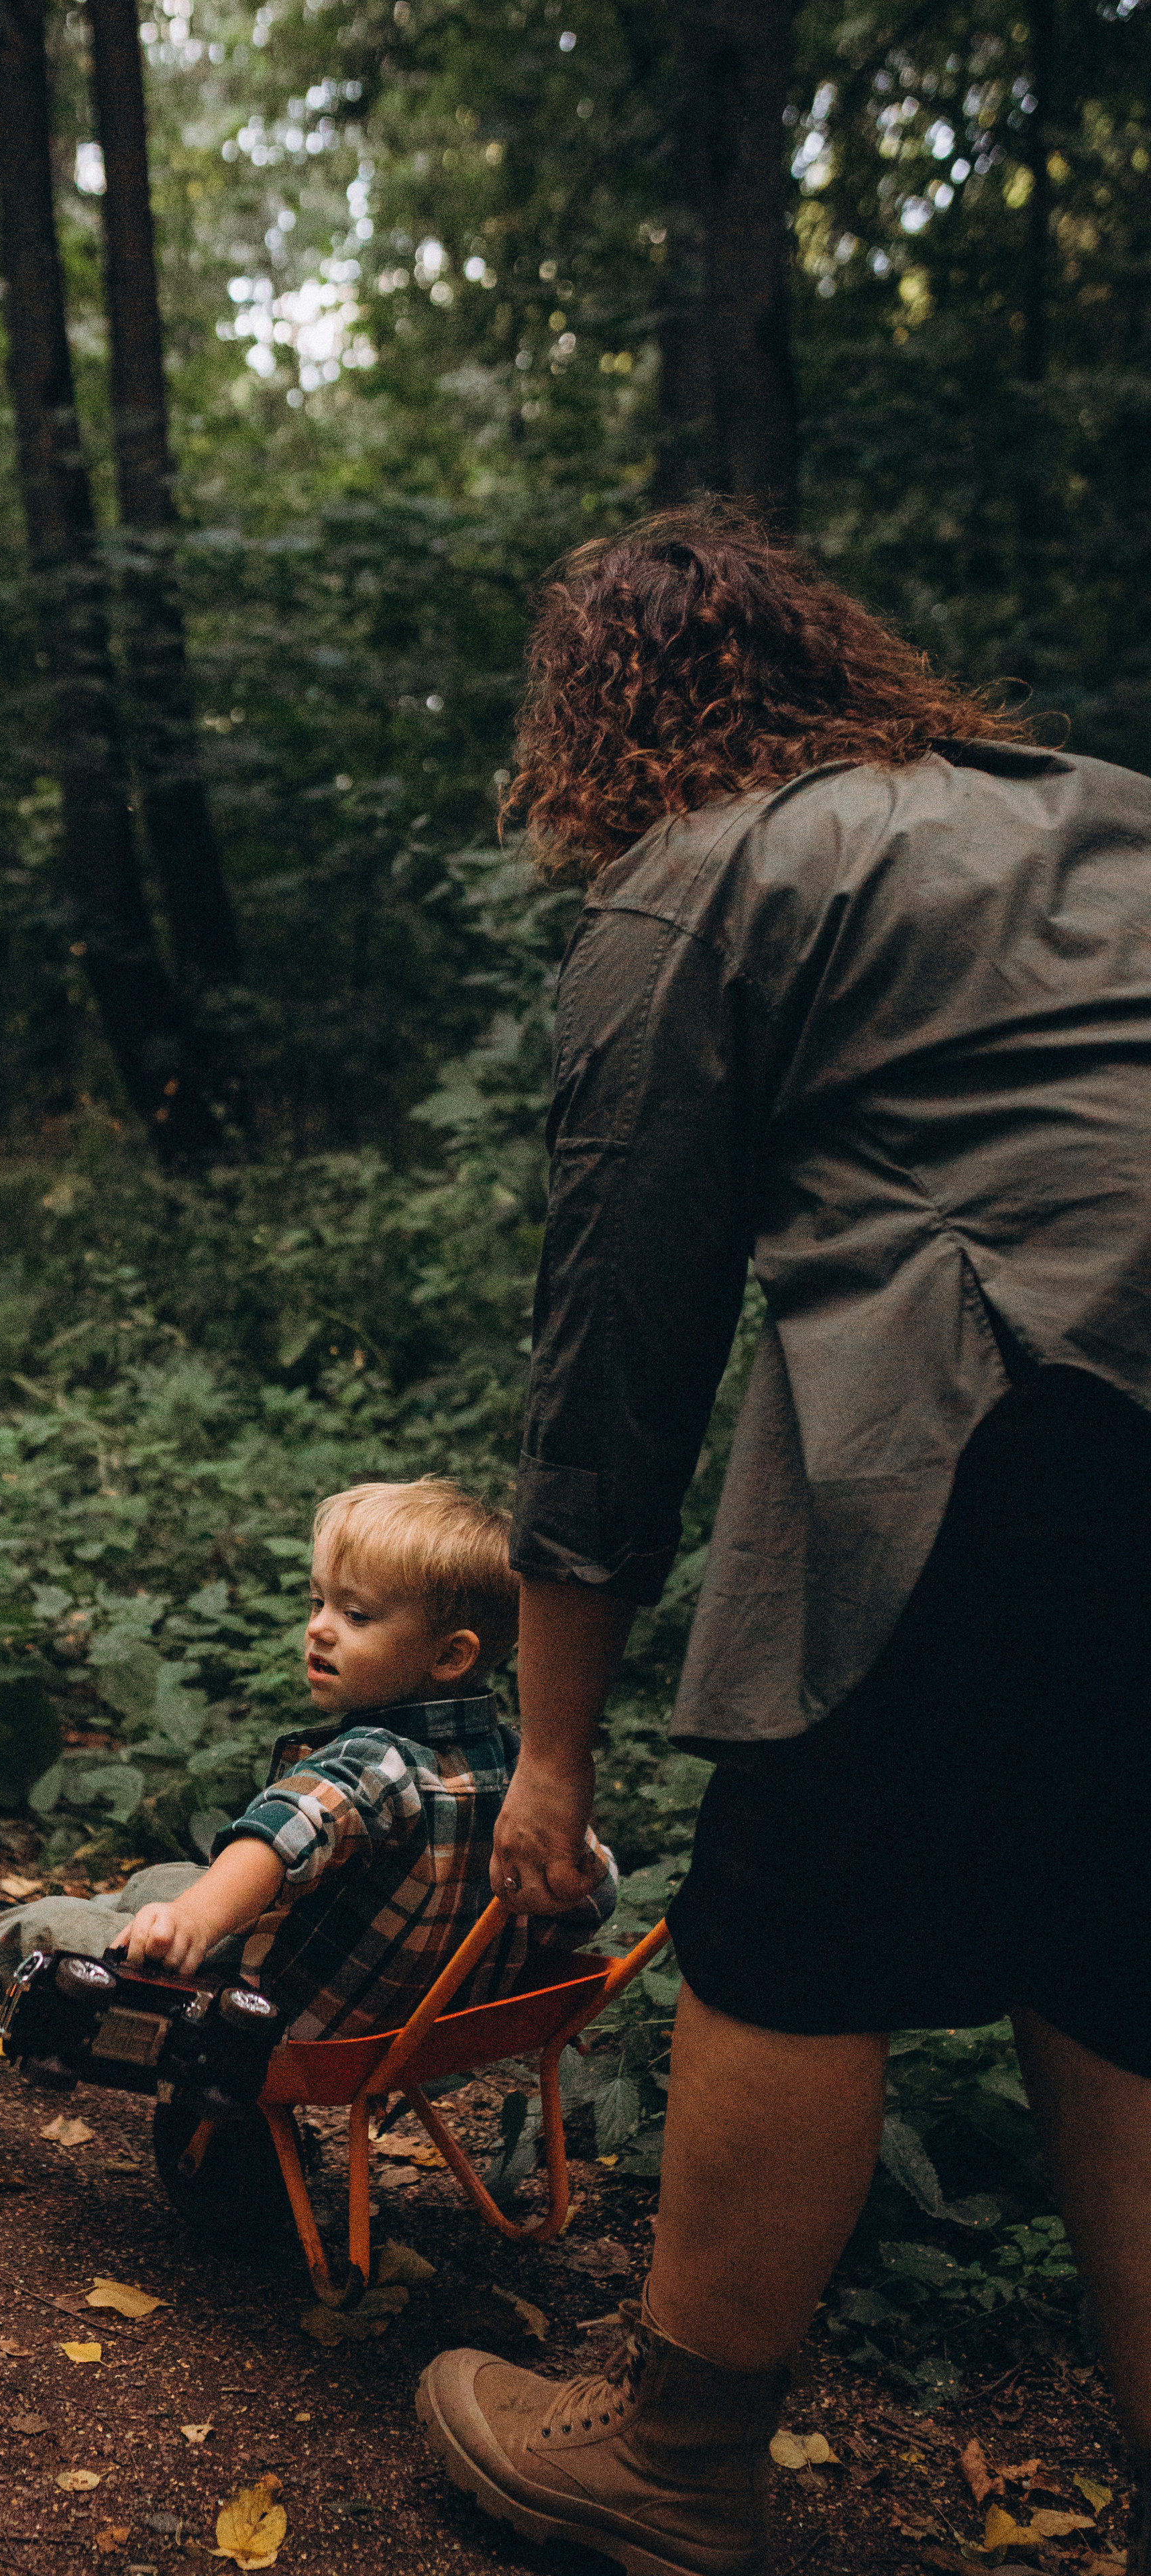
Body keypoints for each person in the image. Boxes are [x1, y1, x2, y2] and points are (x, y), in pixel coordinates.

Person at [414, 506, 1151, 2576]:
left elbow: (615, 1361)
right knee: (1118, 1951)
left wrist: (548, 1759)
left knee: (792, 1916)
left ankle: (674, 2457)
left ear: (599, 728)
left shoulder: (699, 874)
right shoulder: (1098, 806)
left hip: (1009, 1393)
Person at [0, 1476, 618, 2045]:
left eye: (356, 1615)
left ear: (449, 1656)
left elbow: (283, 1835)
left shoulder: (376, 1762)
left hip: (280, 2008)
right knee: (156, 1885)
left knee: (59, 1929)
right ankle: (7, 1935)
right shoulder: (520, 1768)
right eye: (317, 1602)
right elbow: (592, 1888)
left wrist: (195, 1921)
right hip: (412, 2021)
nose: (319, 1628)